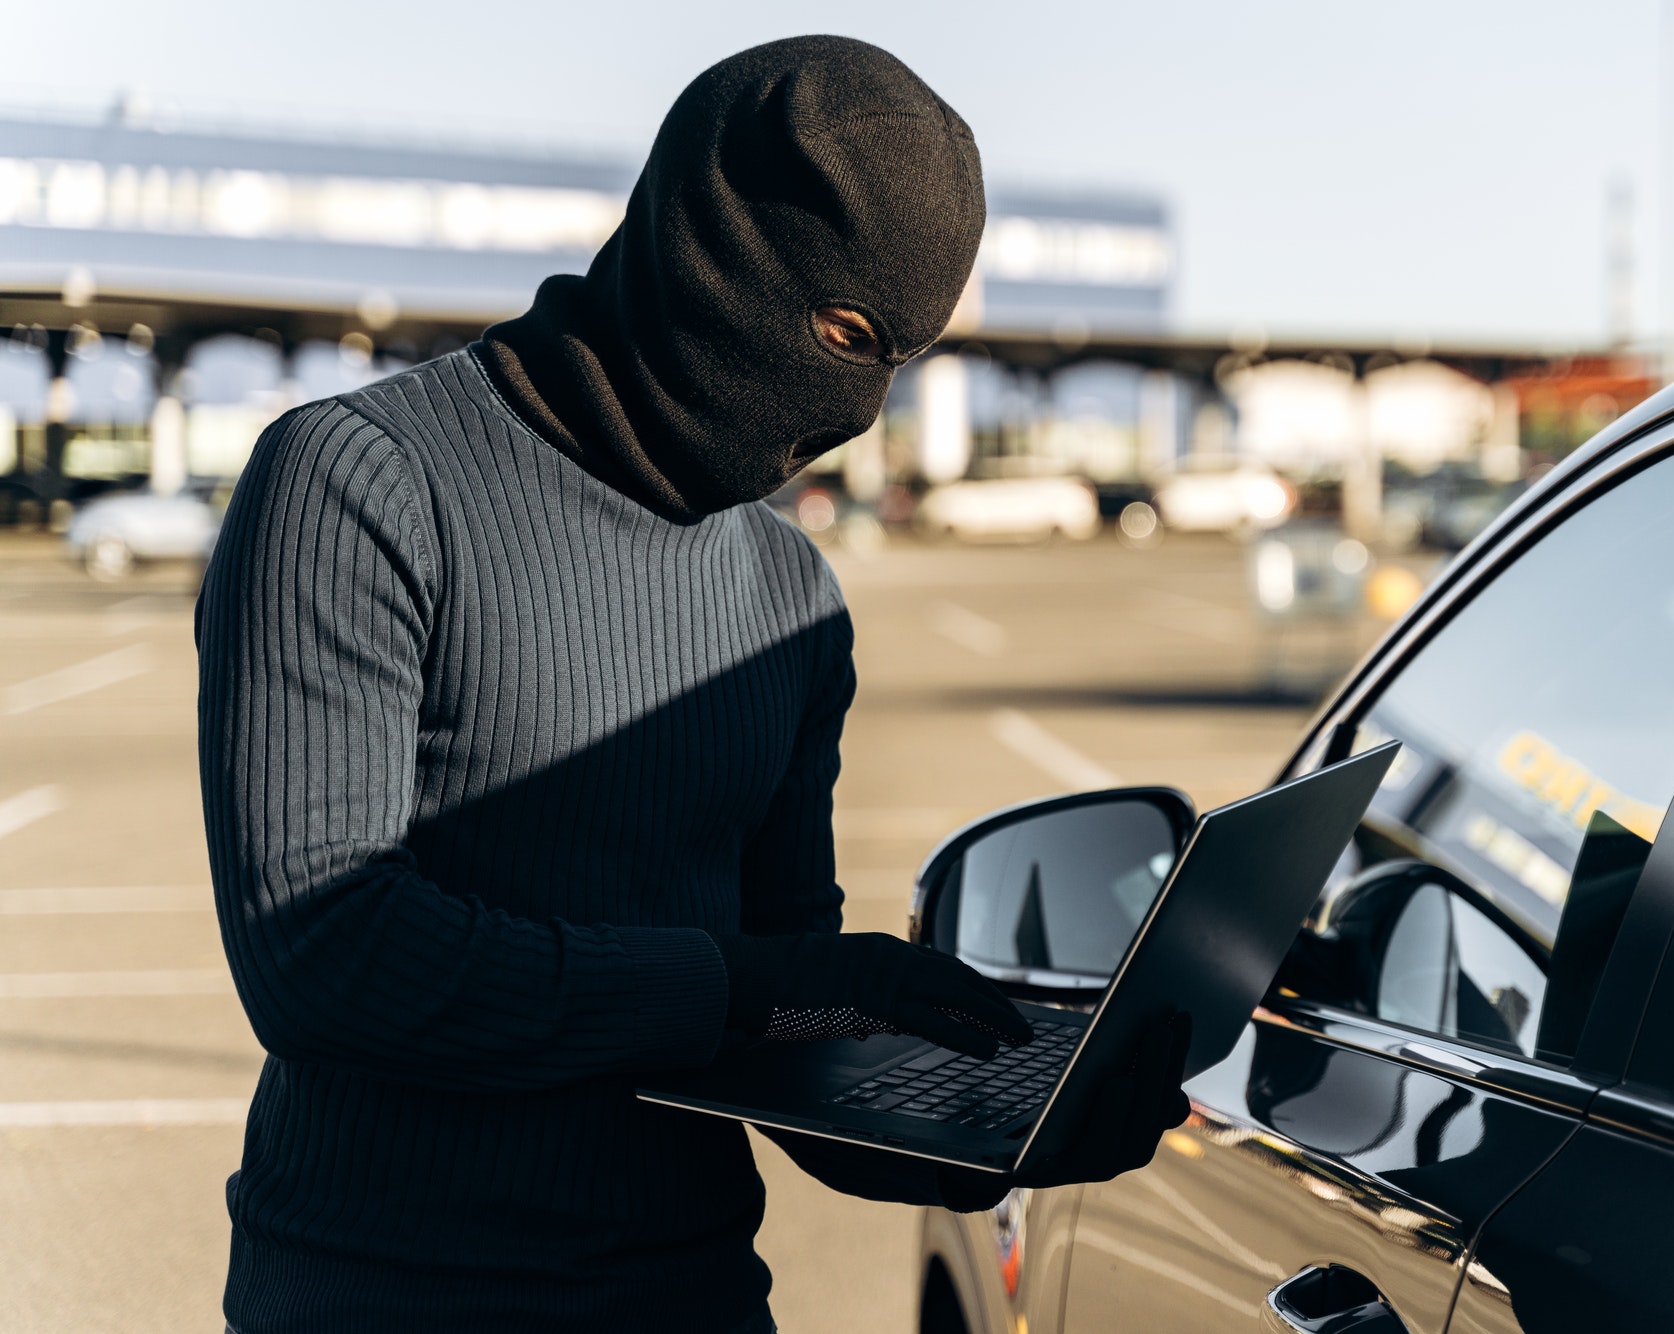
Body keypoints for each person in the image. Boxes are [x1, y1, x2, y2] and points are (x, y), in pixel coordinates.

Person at [195, 34, 1188, 1334]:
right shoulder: (358, 482)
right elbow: (324, 955)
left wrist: (996, 1117)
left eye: (902, 357)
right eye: (845, 335)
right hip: (385, 1295)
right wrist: (751, 986)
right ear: (712, 242)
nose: (862, 402)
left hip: (695, 1297)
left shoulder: (789, 597)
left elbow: (778, 1042)